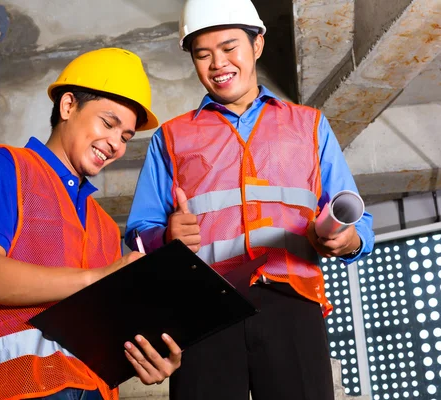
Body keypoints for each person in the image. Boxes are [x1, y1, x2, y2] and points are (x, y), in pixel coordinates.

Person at [124, 1, 375, 399]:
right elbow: (138, 233)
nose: (217, 63)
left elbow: (359, 224)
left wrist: (349, 240)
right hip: (202, 312)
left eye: (228, 48)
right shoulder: (170, 138)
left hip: (292, 305)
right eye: (202, 55)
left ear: (257, 44)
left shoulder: (309, 126)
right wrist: (165, 238)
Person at [0, 48, 182, 400]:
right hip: (18, 391)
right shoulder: (5, 167)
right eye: (108, 123)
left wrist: (150, 355)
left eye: (125, 137)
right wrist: (98, 278)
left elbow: (100, 327)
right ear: (68, 106)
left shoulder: (104, 226)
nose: (116, 145)